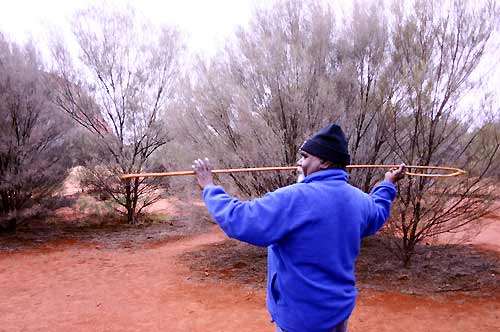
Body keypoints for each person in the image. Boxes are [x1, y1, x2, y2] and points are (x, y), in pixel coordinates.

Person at [192, 124, 405, 332]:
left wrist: (209, 187)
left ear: (324, 162)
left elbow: (240, 220)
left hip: (301, 320)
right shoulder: (359, 200)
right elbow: (377, 213)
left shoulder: (293, 199)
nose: (299, 162)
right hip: (338, 311)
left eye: (305, 157)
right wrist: (388, 183)